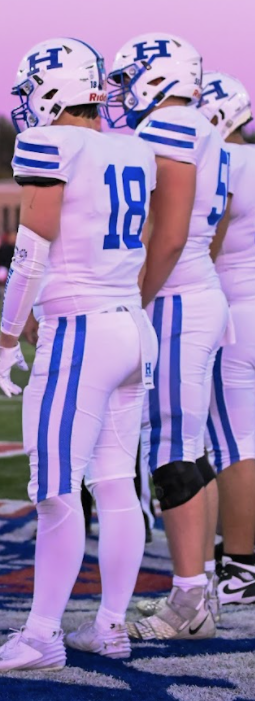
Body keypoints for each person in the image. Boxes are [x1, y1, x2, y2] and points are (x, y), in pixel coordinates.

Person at [0, 37, 157, 674]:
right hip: (133, 324)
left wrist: (6, 331)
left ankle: (42, 635)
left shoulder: (55, 144)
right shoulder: (134, 147)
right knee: (115, 483)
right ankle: (108, 625)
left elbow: (32, 248)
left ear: (50, 90)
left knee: (54, 490)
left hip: (79, 332)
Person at [106, 34, 230, 641]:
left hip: (178, 298)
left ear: (153, 78)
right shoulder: (205, 127)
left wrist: (137, 295)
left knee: (171, 450)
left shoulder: (171, 128)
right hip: (197, 292)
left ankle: (188, 601)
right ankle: (199, 585)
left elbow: (172, 232)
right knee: (191, 445)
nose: (121, 91)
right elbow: (217, 219)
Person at [198, 71, 255, 605]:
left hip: (235, 314)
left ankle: (240, 567)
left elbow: (204, 248)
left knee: (235, 447)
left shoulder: (224, 163)